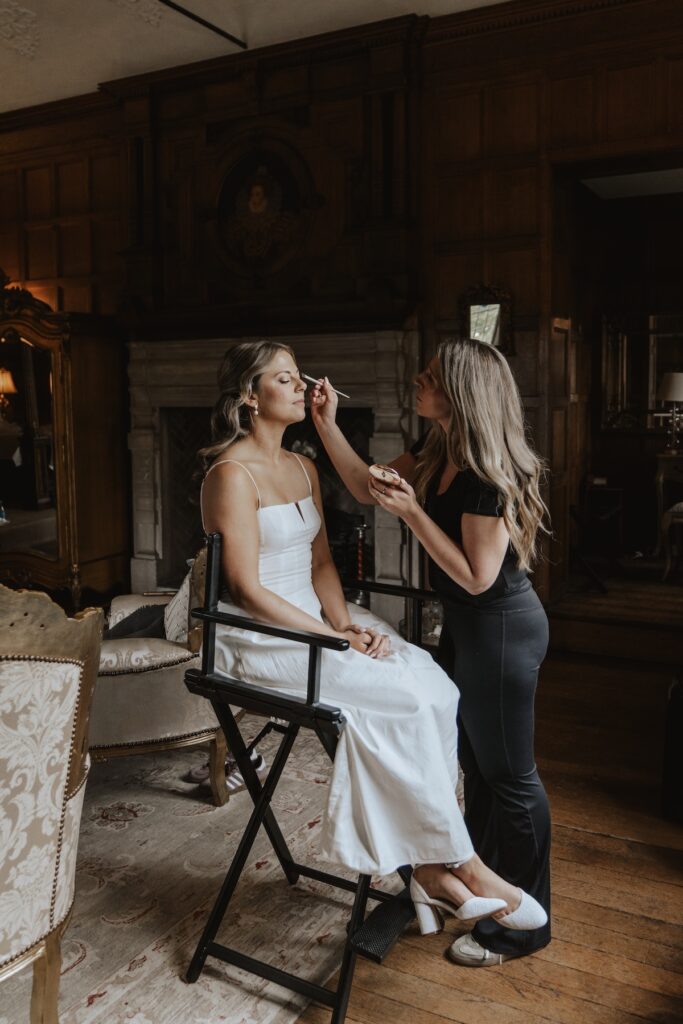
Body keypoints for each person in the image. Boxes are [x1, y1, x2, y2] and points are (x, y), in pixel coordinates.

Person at [199, 339, 547, 947]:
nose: (303, 386)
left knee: (454, 712)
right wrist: (337, 633)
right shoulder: (233, 474)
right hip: (267, 632)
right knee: (418, 706)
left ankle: (444, 875)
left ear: (460, 396)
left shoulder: (312, 468)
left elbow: (330, 564)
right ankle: (456, 868)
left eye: (431, 377)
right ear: (250, 397)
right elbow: (256, 583)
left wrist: (345, 624)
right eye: (286, 378)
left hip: (489, 624)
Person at [310, 336, 551, 966]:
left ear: (462, 395)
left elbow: (476, 577)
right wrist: (327, 424)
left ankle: (526, 927)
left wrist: (415, 514)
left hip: (501, 628)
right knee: (474, 767)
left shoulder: (488, 476)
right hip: (468, 629)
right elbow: (365, 487)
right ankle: (488, 892)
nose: (419, 380)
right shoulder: (435, 449)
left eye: (431, 377)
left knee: (510, 778)